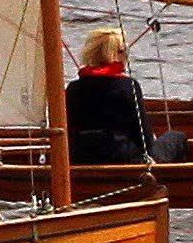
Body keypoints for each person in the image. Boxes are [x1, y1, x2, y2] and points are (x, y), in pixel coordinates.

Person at [65, 29, 152, 167]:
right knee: (177, 138)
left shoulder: (72, 88)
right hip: (122, 158)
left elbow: (68, 131)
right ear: (118, 54)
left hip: (80, 158)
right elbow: (144, 138)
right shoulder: (128, 86)